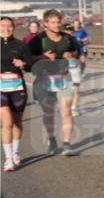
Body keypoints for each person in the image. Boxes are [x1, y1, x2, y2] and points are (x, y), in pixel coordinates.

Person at [26, 10, 81, 155]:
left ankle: (67, 144)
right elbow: (27, 61)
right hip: (44, 80)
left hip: (63, 78)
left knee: (66, 111)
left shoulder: (68, 39)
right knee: (48, 114)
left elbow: (78, 53)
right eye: (53, 22)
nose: (57, 25)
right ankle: (52, 140)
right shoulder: (37, 40)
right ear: (45, 24)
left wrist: (71, 55)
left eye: (58, 22)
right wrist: (41, 58)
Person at [1, 17, 29, 171]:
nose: (6, 28)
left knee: (17, 123)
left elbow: (30, 66)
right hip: (1, 89)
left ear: (13, 27)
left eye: (9, 26)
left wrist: (23, 64)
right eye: (3, 25)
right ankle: (8, 159)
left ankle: (16, 151)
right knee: (7, 123)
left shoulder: (21, 45)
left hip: (17, 89)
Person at [69, 19, 91, 116]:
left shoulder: (82, 31)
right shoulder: (69, 33)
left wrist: (81, 41)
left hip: (80, 52)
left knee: (76, 86)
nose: (76, 25)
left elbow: (88, 40)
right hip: (68, 61)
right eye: (75, 23)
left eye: (78, 24)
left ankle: (73, 107)